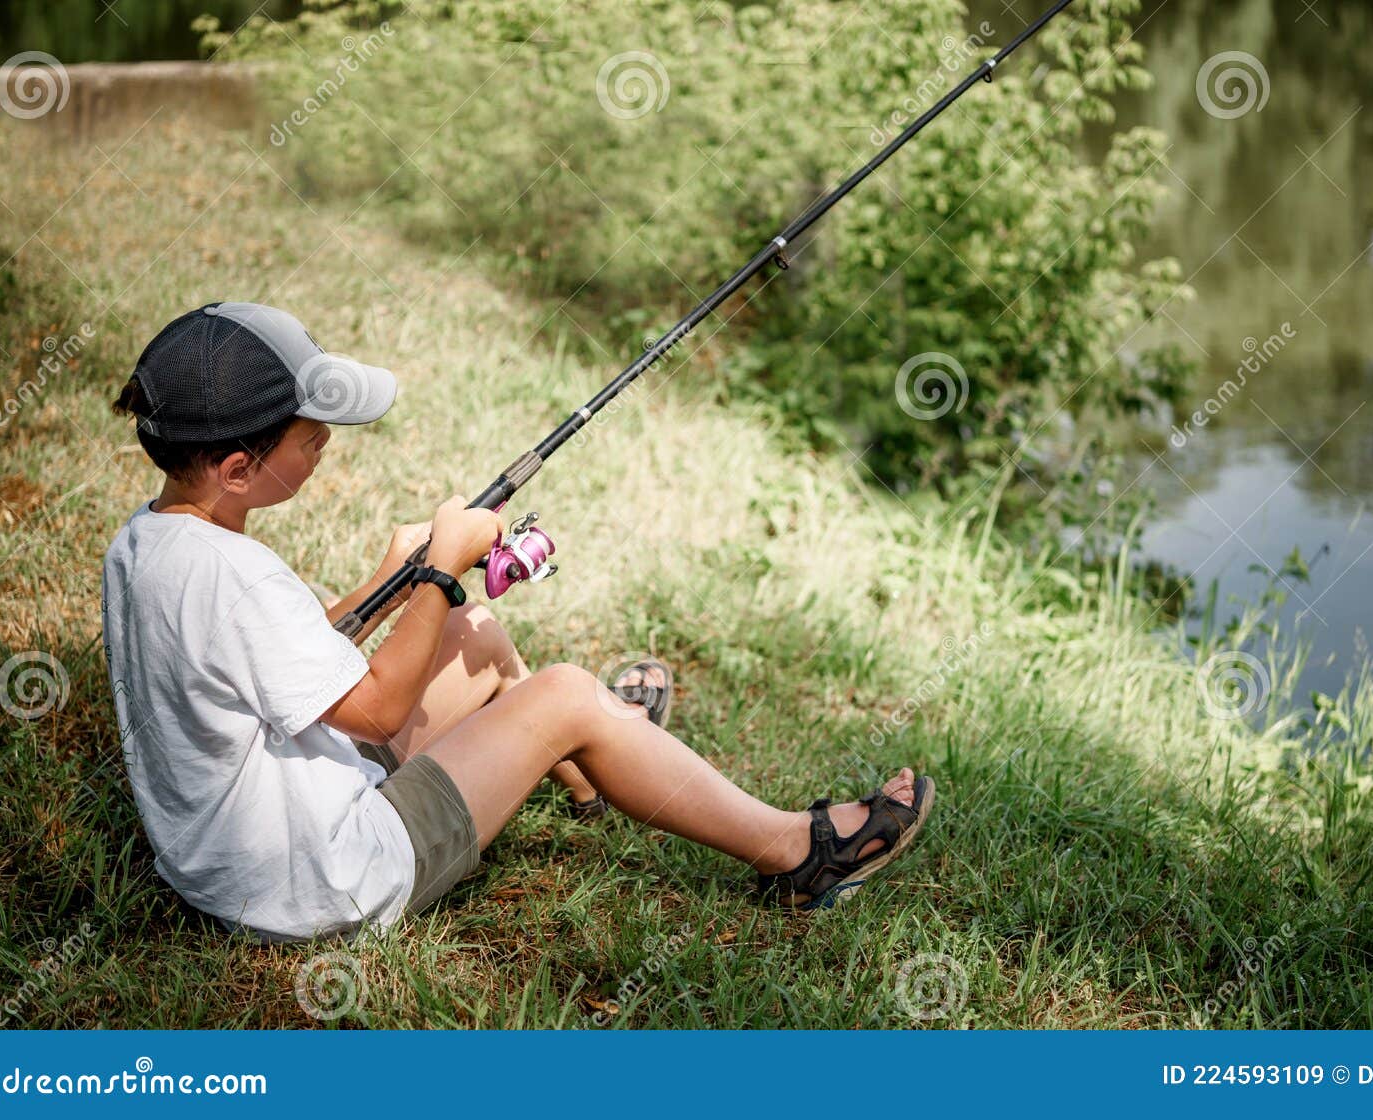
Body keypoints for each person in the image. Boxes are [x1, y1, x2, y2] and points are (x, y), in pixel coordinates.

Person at [100, 302, 934, 943]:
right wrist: (437, 571)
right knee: (567, 693)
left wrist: (387, 581)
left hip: (235, 846)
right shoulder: (236, 578)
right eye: (311, 438)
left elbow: (276, 657)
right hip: (320, 876)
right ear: (241, 467)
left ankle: (599, 766)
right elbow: (381, 710)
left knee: (478, 636)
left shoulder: (151, 541)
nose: (325, 444)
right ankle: (799, 854)